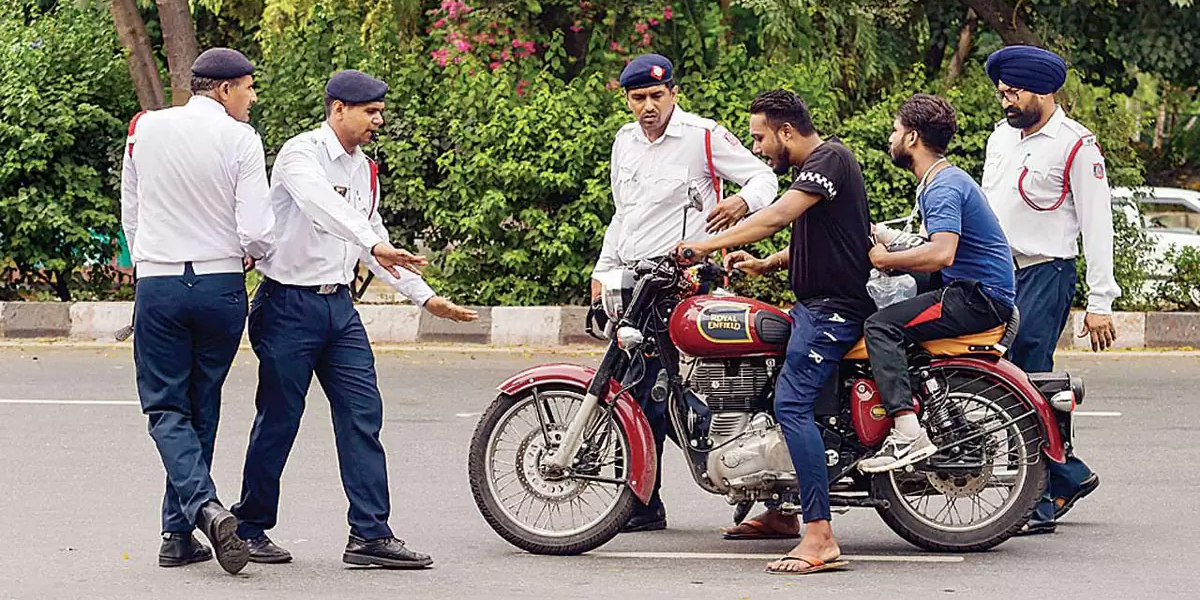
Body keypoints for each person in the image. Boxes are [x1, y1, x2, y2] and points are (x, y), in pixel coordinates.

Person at [230, 70, 477, 569]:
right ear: (338, 108)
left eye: (380, 111)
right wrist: (372, 242)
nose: (378, 120)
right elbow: (325, 211)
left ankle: (370, 534)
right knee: (279, 419)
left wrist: (426, 299)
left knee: (363, 416)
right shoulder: (301, 154)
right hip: (287, 307)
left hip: (339, 310)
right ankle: (250, 527)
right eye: (371, 112)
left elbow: (372, 236)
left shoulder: (365, 169)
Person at [677, 89, 874, 575]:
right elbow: (829, 236)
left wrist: (706, 245)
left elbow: (778, 215)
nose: (760, 149)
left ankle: (820, 534)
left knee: (791, 404)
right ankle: (783, 512)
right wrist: (766, 265)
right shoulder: (823, 167)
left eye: (761, 138)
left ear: (787, 131)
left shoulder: (828, 159)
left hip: (833, 311)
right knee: (768, 391)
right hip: (814, 306)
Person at [593, 53, 779, 533]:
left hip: (686, 281)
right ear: (627, 100)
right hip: (637, 282)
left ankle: (648, 497)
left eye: (657, 96)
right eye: (639, 98)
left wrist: (740, 201)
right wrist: (604, 268)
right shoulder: (623, 143)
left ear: (674, 92)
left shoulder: (703, 136)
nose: (649, 106)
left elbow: (765, 178)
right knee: (642, 386)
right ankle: (652, 495)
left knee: (652, 387)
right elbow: (623, 214)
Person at [120, 47, 274, 574]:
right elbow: (257, 228)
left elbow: (132, 211)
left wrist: (149, 261)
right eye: (249, 87)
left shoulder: (145, 127)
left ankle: (194, 515)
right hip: (220, 283)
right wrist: (250, 253)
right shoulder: (241, 139)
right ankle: (181, 529)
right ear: (224, 89)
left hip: (160, 282)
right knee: (202, 402)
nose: (252, 97)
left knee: (166, 408)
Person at [981, 46, 1113, 534]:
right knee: (999, 377)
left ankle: (1037, 497)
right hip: (998, 272)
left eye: (1013, 93)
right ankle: (1066, 474)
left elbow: (1100, 224)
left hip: (1045, 271)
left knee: (1028, 380)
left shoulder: (1076, 145)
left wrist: (1100, 303)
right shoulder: (1001, 138)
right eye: (1002, 93)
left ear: (1043, 90)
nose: (1005, 102)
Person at [855, 94, 1016, 473]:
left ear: (912, 138)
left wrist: (885, 259)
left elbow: (942, 252)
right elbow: (929, 247)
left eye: (895, 130)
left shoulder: (942, 186)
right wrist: (884, 238)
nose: (891, 138)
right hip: (974, 288)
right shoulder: (943, 179)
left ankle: (908, 431)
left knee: (880, 327)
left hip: (977, 297)